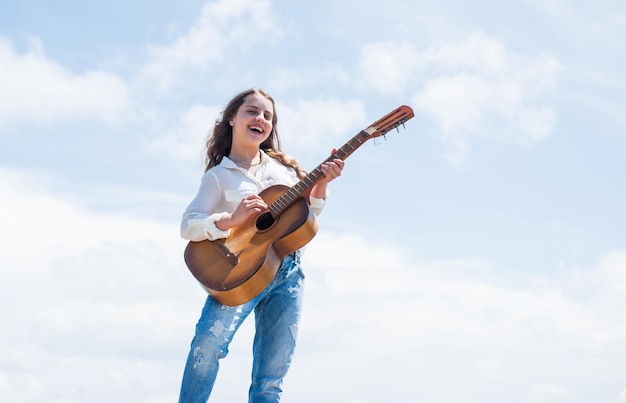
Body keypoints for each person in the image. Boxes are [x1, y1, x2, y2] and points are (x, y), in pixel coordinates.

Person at [178, 88, 344, 402]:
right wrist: (230, 219)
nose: (261, 119)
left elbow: (307, 218)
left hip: (288, 275)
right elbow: (189, 224)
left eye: (268, 115)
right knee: (207, 346)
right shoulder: (218, 177)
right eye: (252, 111)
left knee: (271, 377)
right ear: (232, 119)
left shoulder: (286, 172)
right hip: (238, 272)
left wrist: (320, 184)